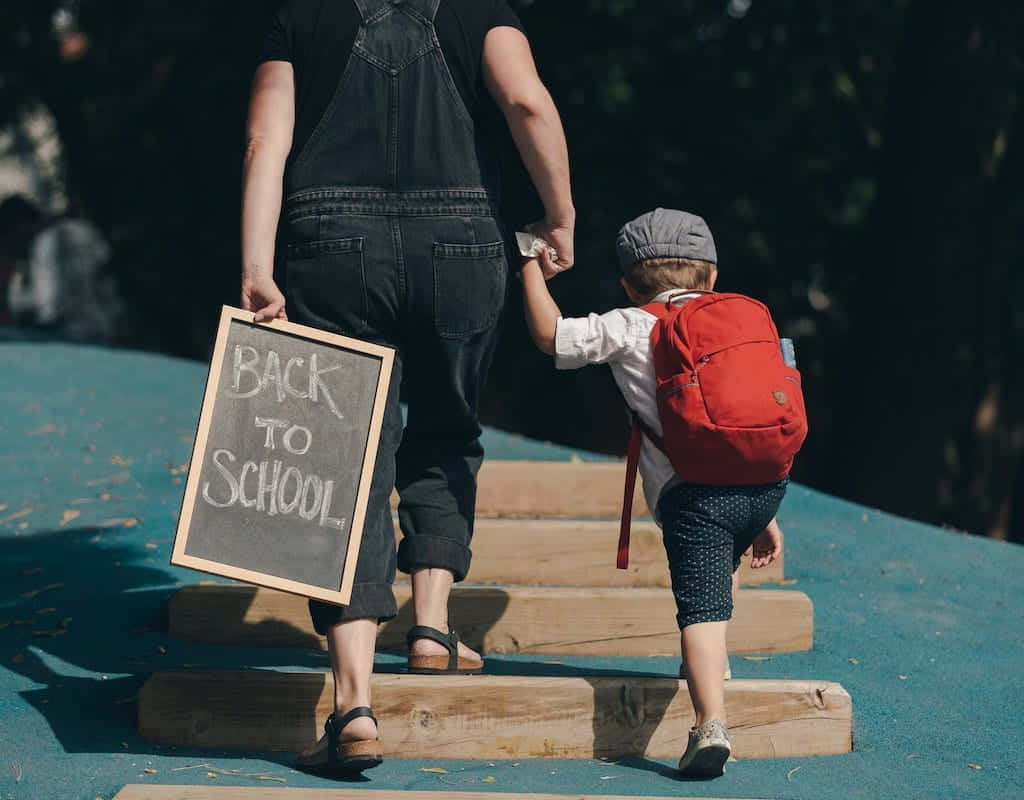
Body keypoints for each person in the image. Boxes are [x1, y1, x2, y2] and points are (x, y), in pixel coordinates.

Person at [240, 0, 574, 777]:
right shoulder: (478, 10)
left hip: (329, 243)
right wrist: (559, 214)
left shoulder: (301, 18)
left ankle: (353, 703)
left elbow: (266, 140)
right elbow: (527, 100)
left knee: (341, 459)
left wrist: (258, 266)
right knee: (448, 426)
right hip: (464, 241)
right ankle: (431, 627)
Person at [519, 208, 788, 779]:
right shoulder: (741, 321)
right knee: (717, 574)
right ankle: (714, 668)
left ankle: (710, 722)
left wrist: (528, 268)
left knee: (701, 610)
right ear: (712, 277)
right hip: (764, 483)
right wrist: (762, 511)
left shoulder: (631, 323)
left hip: (694, 497)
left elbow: (551, 336)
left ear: (628, 282)